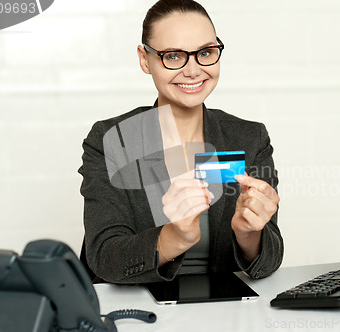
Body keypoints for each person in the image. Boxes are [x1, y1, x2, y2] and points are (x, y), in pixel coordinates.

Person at [79, 0, 283, 284]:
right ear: (144, 59)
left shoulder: (249, 138)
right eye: (173, 56)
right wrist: (174, 237)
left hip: (224, 313)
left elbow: (270, 260)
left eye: (205, 52)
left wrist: (249, 233)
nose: (193, 70)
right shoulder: (111, 140)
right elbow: (104, 258)